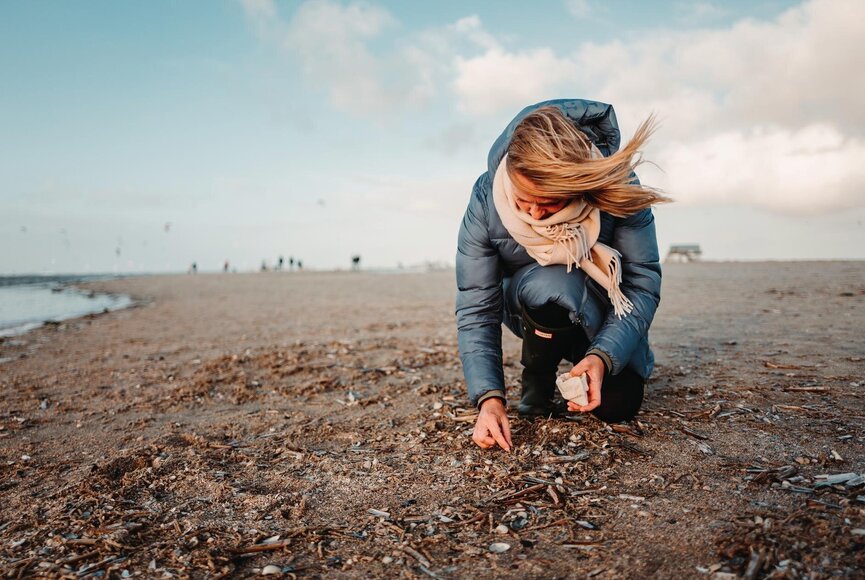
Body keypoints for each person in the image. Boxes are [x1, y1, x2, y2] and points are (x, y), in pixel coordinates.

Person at [455, 99, 671, 452]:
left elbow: (641, 286)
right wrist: (489, 399)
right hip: (533, 306)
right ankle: (537, 377)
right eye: (525, 199)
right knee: (554, 283)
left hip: (602, 307)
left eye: (552, 202)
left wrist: (602, 357)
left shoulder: (617, 186)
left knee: (619, 405)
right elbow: (476, 305)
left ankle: (586, 355)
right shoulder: (486, 197)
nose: (536, 213)